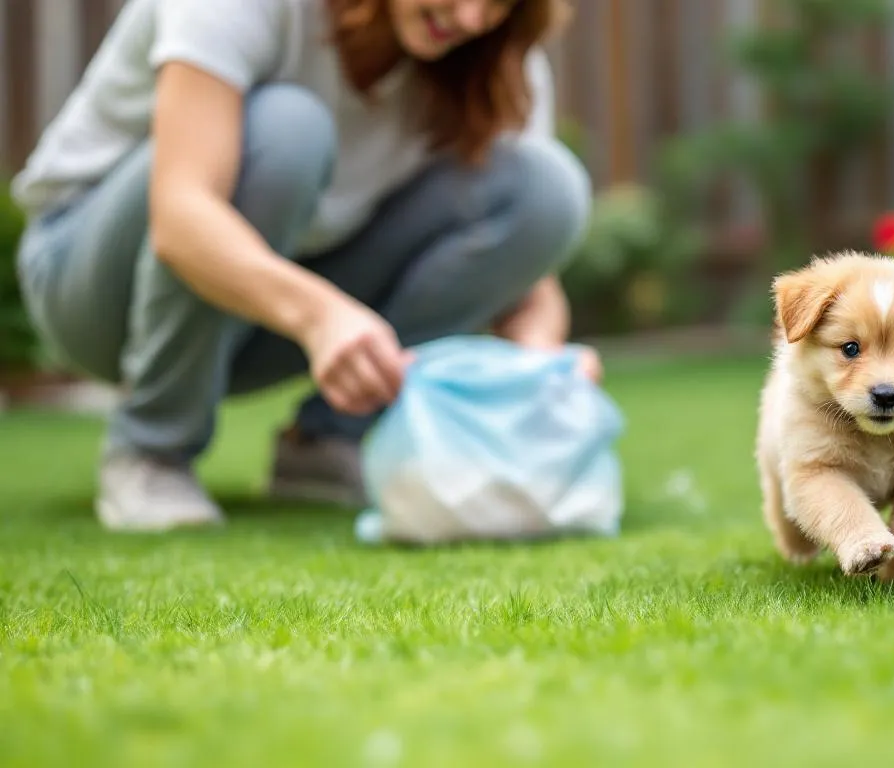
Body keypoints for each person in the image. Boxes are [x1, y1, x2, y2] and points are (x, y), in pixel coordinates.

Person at [10, 0, 600, 532]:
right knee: (287, 130)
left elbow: (528, 275)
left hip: (269, 303)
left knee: (547, 191)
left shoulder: (492, 53)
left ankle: (325, 446)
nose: (471, 18)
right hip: (91, 286)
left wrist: (542, 366)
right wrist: (319, 316)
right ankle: (150, 450)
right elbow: (181, 218)